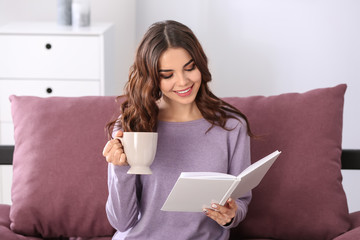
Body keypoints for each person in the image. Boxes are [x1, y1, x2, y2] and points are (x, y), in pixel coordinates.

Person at [102, 20, 253, 240]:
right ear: (153, 77)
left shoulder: (232, 126)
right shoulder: (132, 125)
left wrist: (231, 215)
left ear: (200, 64)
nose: (183, 82)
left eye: (190, 68)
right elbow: (122, 222)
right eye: (167, 75)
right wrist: (119, 168)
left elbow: (241, 201)